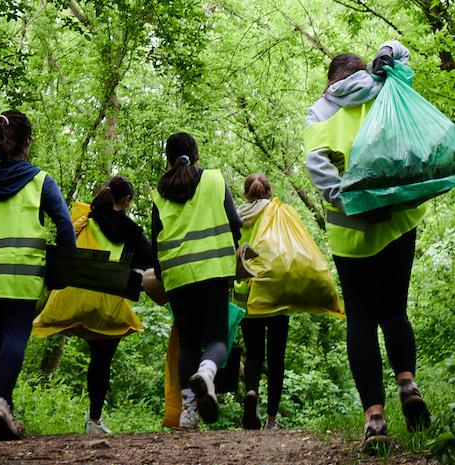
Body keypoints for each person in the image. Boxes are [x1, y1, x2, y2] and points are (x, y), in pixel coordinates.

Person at [303, 41, 431, 446]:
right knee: (394, 310)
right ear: (364, 69)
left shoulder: (321, 111)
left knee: (360, 319)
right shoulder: (387, 90)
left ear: (330, 81)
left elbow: (316, 165)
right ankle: (407, 384)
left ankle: (374, 418)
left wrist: (350, 201)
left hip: (351, 231)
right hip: (398, 220)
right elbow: (402, 53)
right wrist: (386, 57)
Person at [33, 176, 153, 435]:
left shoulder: (86, 218)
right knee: (102, 359)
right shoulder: (130, 230)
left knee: (96, 356)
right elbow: (149, 260)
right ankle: (94, 420)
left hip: (76, 298)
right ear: (127, 200)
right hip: (107, 307)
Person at [0, 110, 76, 440]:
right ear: (27, 142)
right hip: (21, 274)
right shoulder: (40, 181)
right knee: (13, 336)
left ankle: (1, 407)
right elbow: (65, 226)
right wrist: (63, 268)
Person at [151, 132, 242, 429]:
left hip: (177, 276)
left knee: (188, 342)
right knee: (216, 339)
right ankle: (206, 372)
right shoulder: (214, 180)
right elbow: (235, 224)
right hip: (213, 271)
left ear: (168, 158)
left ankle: (188, 412)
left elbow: (155, 242)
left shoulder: (159, 193)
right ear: (197, 154)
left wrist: (163, 276)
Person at [233, 173, 289, 431]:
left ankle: (252, 393)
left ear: (246, 194)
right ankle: (272, 419)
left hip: (250, 293)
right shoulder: (277, 213)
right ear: (269, 191)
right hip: (277, 293)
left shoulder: (237, 216)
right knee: (276, 357)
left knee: (254, 353)